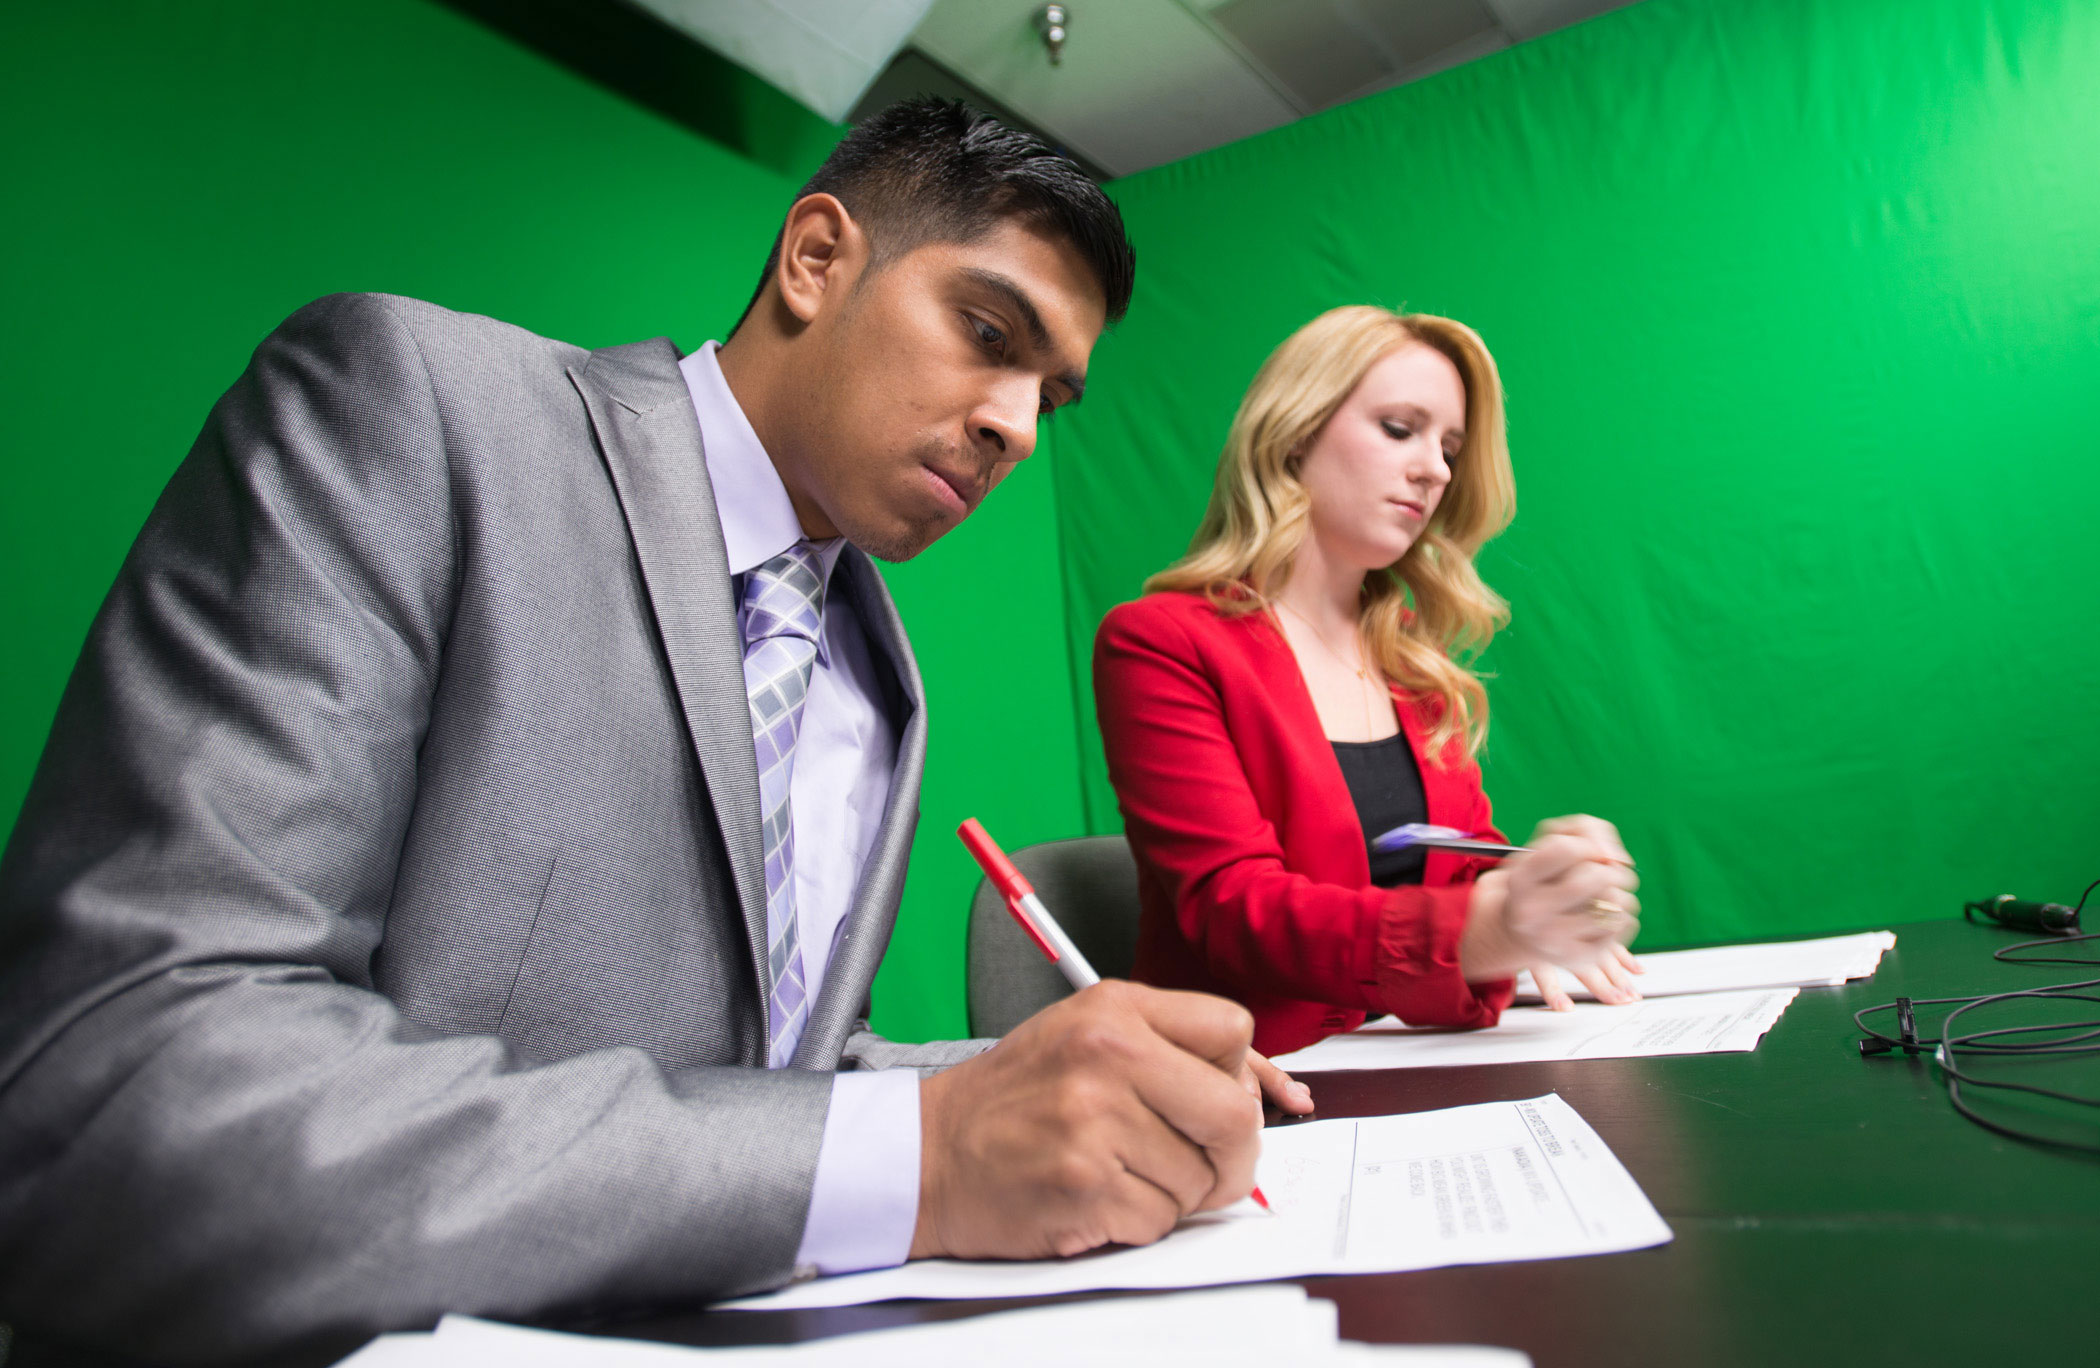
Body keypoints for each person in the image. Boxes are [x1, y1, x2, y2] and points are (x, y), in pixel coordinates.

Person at [0, 99, 1309, 1366]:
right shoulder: (422, 409)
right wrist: (927, 1150)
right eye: (985, 330)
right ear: (814, 259)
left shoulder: (880, 673)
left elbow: (741, 1063)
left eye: (1053, 397)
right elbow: (127, 1083)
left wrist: (1062, 1085)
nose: (1015, 427)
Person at [1093, 305, 1644, 1059]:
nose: (1436, 469)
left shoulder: (1408, 655)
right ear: (1292, 433)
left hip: (1422, 1060)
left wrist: (1548, 896)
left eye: (1449, 447)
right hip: (1249, 1085)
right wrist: (1494, 928)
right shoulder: (1161, 641)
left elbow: (1463, 860)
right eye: (1399, 429)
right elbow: (1235, 910)